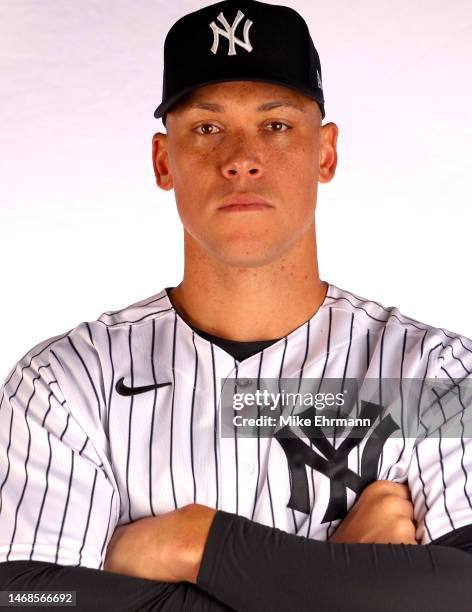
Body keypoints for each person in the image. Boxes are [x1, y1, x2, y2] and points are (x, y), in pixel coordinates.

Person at [1, 1, 472, 610]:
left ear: (325, 153)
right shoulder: (66, 384)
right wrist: (340, 577)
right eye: (206, 127)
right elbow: (28, 601)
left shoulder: (436, 374)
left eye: (276, 125)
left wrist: (187, 545)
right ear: (163, 160)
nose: (240, 158)